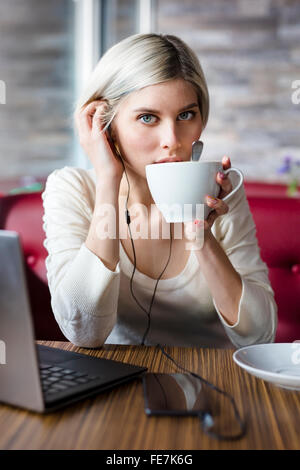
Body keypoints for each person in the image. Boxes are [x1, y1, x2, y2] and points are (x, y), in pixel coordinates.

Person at [42, 33, 277, 348]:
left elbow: (260, 336)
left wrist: (202, 236)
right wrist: (108, 179)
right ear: (106, 125)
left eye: (185, 115)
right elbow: (84, 331)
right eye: (147, 117)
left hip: (214, 382)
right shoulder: (72, 188)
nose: (173, 140)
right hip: (117, 384)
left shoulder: (219, 192)